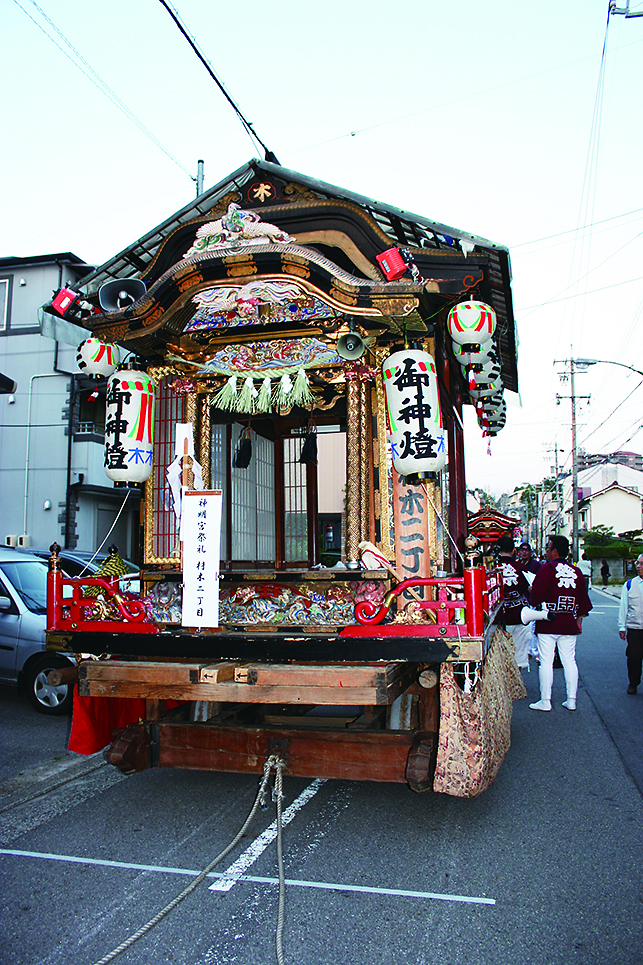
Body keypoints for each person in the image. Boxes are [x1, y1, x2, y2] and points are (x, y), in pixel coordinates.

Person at [528, 535, 593, 712]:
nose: (547, 551)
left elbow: (536, 597)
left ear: (554, 550)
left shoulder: (547, 568)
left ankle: (545, 700)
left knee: (546, 661)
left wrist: (531, 590)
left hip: (549, 621)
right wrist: (579, 620)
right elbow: (583, 600)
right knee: (569, 660)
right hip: (569, 621)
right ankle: (571, 700)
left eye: (548, 548)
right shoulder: (576, 571)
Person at [495, 534, 532, 669]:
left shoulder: (492, 569)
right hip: (520, 615)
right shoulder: (521, 568)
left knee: (499, 656)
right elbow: (529, 589)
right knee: (519, 655)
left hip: (497, 618)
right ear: (513, 551)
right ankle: (517, 685)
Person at [618, 554, 643, 695]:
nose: (638, 567)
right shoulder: (630, 584)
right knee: (634, 657)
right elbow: (623, 607)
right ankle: (633, 683)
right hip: (635, 627)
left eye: (642, 564)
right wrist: (622, 626)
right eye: (637, 563)